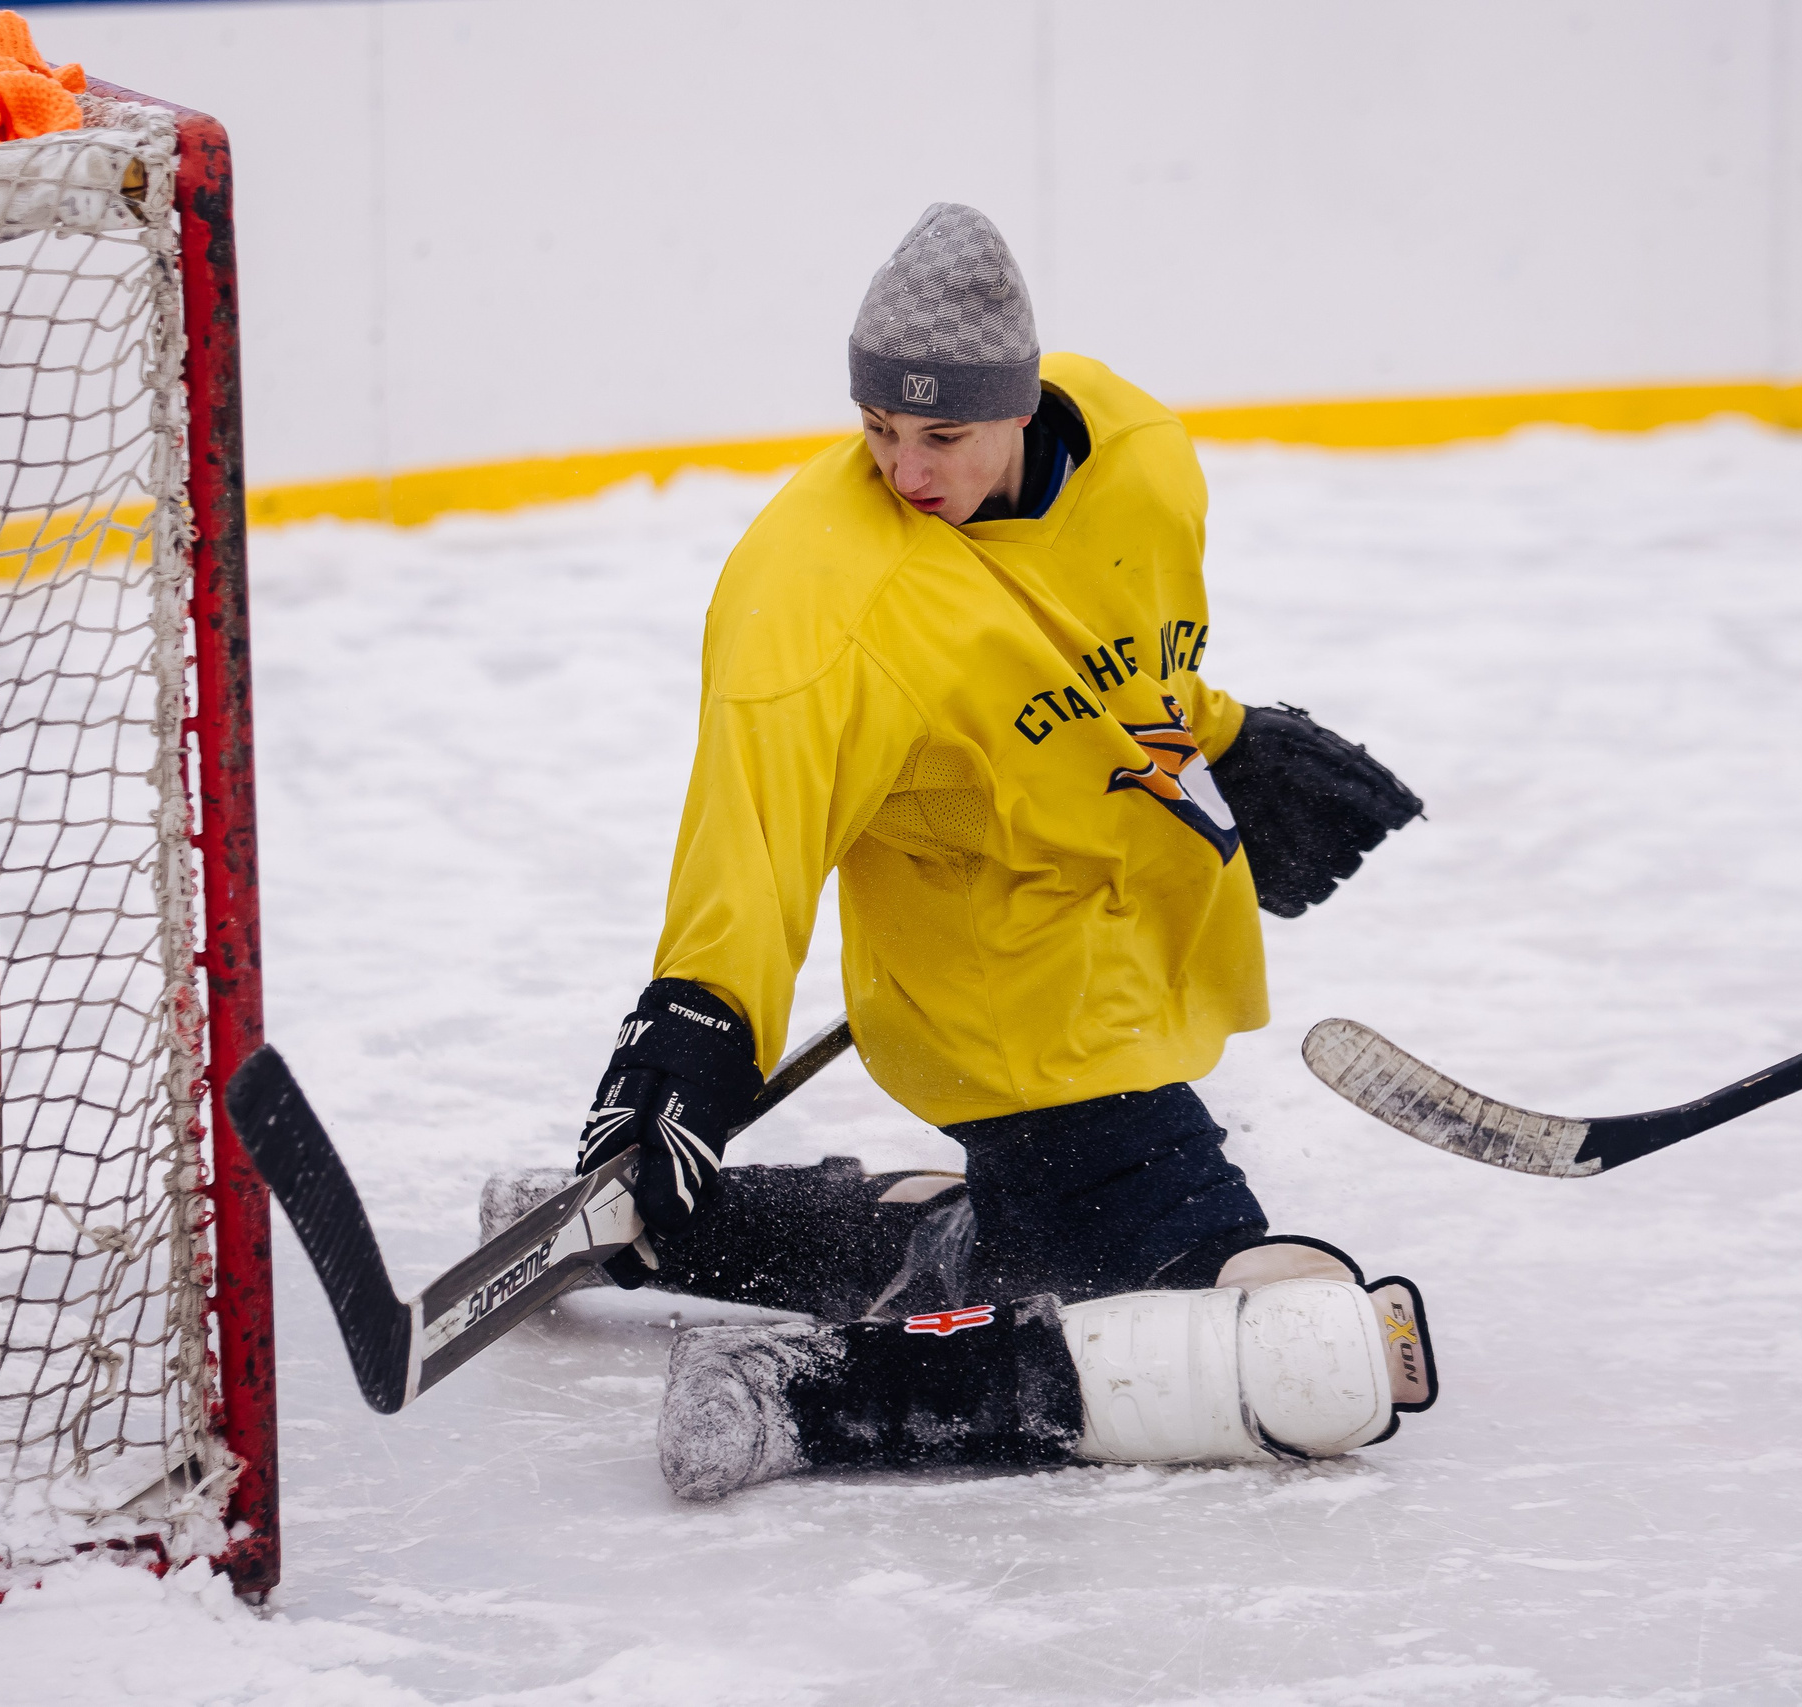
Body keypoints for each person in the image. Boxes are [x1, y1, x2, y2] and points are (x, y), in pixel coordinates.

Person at [554, 204, 1431, 1496]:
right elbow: (755, 837)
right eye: (878, 431)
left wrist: (1232, 739)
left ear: (1021, 407)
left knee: (1041, 1248)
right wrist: (694, 1026)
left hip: (1125, 941)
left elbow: (1113, 654)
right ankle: (802, 1397)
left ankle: (692, 1234)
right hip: (994, 996)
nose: (908, 470)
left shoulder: (1141, 456)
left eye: (944, 435)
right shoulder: (819, 592)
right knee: (1282, 1338)